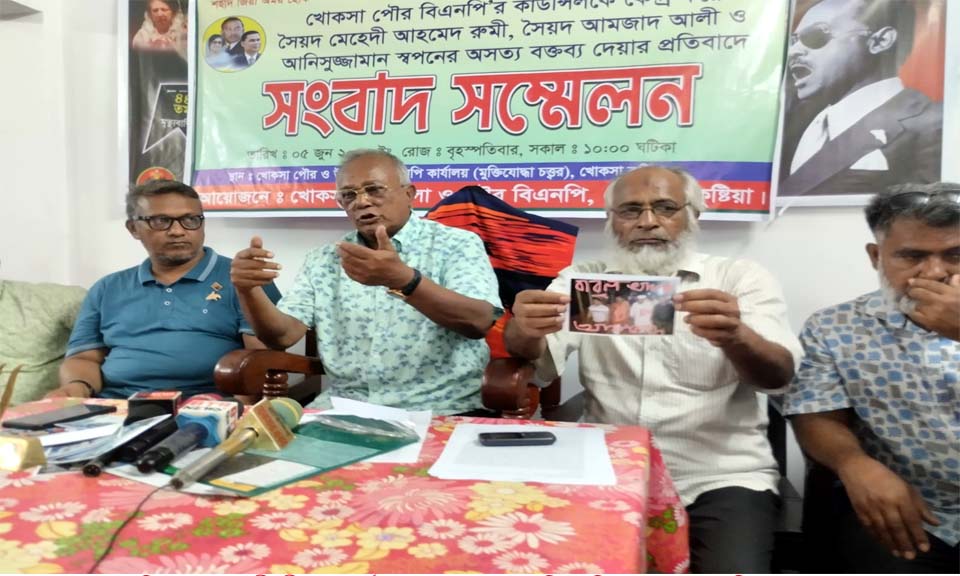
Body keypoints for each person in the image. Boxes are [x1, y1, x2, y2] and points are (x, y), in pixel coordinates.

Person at [504, 165, 803, 573]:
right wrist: (523, 330)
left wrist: (736, 336)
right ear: (611, 220)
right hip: (607, 467)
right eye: (630, 210)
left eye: (665, 207)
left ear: (693, 215)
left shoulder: (738, 280)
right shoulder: (583, 281)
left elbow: (780, 377)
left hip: (717, 477)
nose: (648, 221)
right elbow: (538, 366)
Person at [230, 149, 501, 414]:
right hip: (345, 409)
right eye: (349, 195)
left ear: (409, 194)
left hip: (441, 408)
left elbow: (479, 321)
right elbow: (282, 336)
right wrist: (247, 290)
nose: (361, 202)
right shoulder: (325, 259)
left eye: (374, 190)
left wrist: (405, 281)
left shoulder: (456, 244)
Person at [784, 183, 959, 572]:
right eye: (912, 256)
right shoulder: (835, 327)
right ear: (876, 256)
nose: (935, 272)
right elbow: (816, 413)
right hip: (906, 504)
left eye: (955, 255)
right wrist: (853, 464)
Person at [46, 180, 279, 400]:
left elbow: (260, 358)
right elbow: (84, 357)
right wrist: (77, 388)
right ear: (133, 228)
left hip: (205, 407)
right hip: (117, 406)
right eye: (160, 221)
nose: (177, 231)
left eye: (190, 220)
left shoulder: (243, 279)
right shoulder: (107, 288)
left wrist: (240, 411)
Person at [780, 0, 942, 197]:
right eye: (793, 41)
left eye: (815, 36)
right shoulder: (789, 128)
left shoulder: (935, 125)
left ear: (880, 41)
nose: (793, 52)